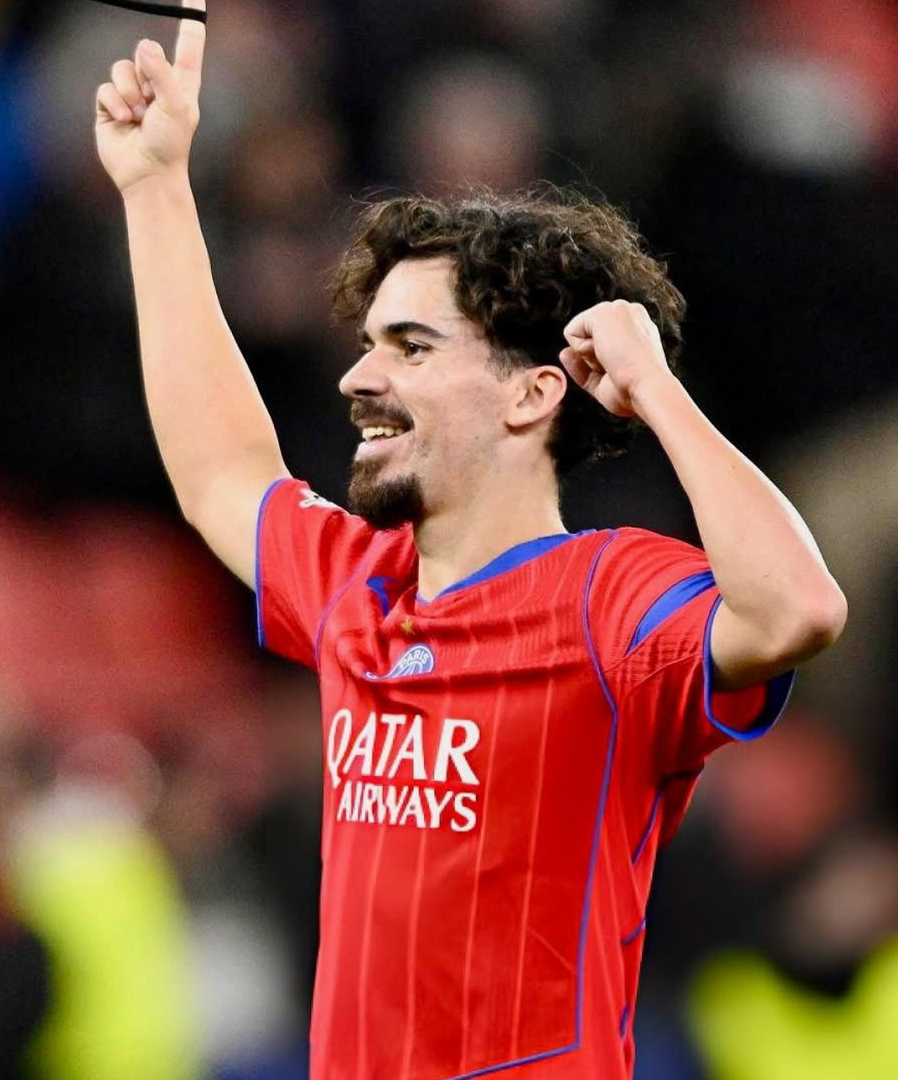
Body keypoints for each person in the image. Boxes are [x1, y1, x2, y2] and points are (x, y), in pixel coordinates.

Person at [93, 5, 847, 1077]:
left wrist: (657, 392)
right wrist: (157, 189)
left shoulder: (613, 598)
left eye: (410, 346)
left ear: (531, 393)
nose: (360, 376)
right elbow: (222, 471)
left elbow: (798, 609)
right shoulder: (358, 585)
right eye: (368, 344)